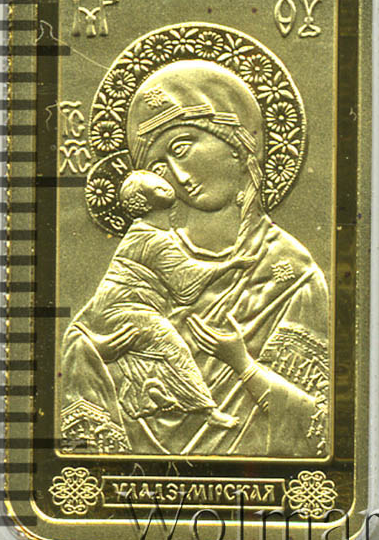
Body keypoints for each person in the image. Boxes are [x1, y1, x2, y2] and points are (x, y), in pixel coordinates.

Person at [62, 58, 330, 458]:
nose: (178, 176)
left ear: (237, 142)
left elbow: (320, 427)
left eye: (182, 149)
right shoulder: (147, 251)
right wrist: (96, 354)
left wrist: (243, 364)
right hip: (134, 479)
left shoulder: (293, 274)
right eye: (159, 166)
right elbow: (81, 345)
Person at [64, 169, 257, 433]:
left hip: (123, 310)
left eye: (162, 183)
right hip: (124, 310)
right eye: (157, 188)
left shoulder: (150, 233)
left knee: (152, 349)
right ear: (144, 203)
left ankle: (150, 393)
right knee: (172, 345)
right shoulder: (149, 237)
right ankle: (208, 410)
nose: (166, 186)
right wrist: (230, 265)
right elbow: (186, 277)